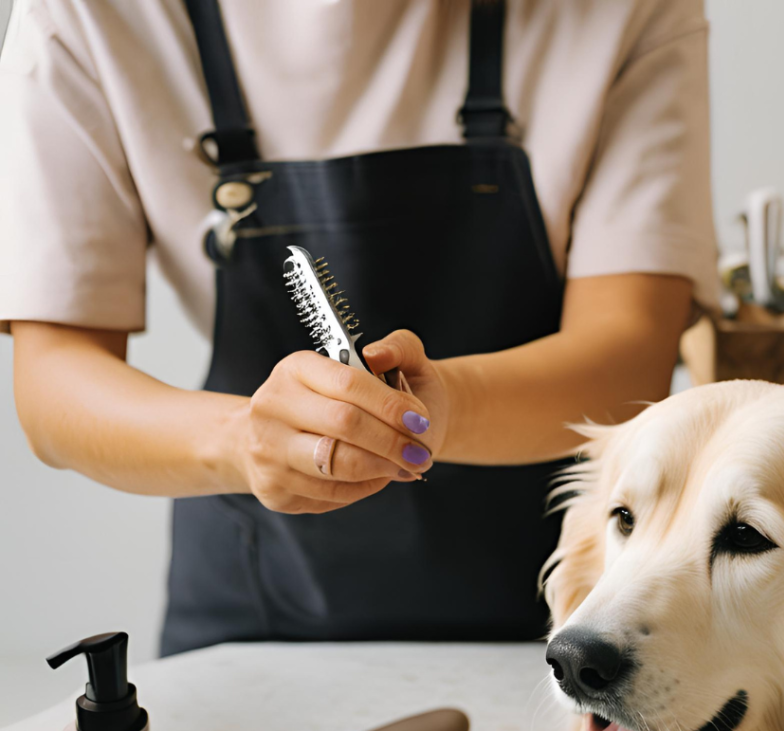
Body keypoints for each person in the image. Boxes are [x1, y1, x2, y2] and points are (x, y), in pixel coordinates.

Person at [1, 0, 716, 655]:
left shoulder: (622, 11)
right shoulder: (86, 14)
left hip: (561, 605)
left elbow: (630, 360)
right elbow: (53, 385)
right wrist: (243, 440)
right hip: (251, 615)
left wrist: (445, 407)